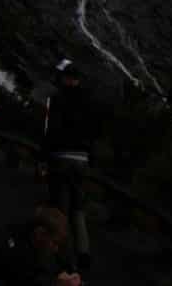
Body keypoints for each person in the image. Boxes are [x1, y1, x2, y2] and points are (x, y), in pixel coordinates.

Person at [40, 62, 105, 267]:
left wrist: (43, 158)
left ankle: (64, 257)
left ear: (66, 79)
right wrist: (91, 155)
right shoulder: (91, 101)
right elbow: (95, 131)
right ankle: (84, 253)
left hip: (61, 156)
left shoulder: (57, 99)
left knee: (60, 209)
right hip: (82, 159)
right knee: (78, 207)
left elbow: (49, 131)